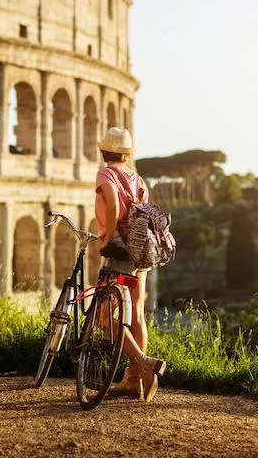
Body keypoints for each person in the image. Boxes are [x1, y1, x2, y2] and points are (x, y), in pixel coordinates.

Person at [95, 127, 166, 402]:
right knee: (136, 313)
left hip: (121, 254)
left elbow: (112, 203)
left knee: (103, 317)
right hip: (142, 252)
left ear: (104, 151)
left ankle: (144, 363)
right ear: (127, 153)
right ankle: (133, 381)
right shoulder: (139, 180)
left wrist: (108, 237)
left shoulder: (106, 174)